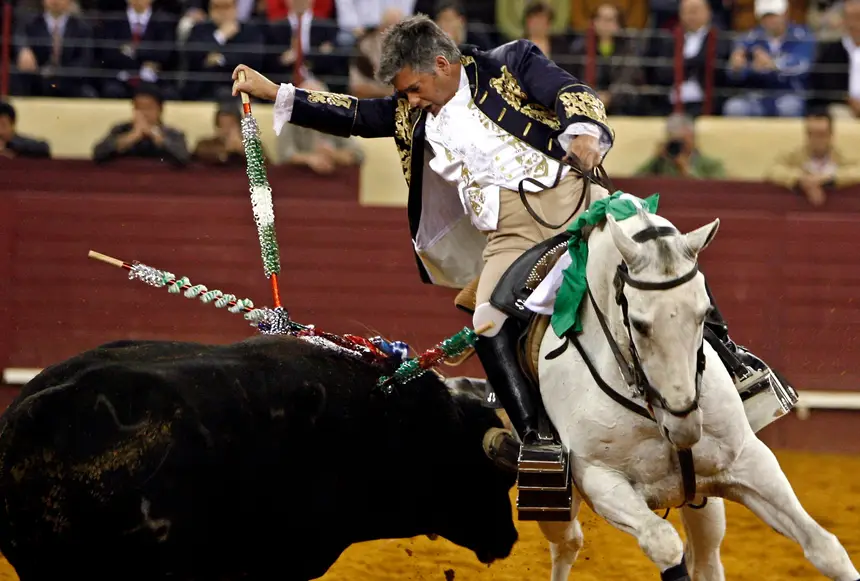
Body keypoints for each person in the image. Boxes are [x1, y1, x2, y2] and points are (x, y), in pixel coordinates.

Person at [229, 14, 781, 476]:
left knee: (661, 252)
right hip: (509, 232)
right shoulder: (408, 112)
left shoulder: (507, 64)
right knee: (487, 319)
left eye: (413, 88)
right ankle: (538, 439)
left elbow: (568, 91)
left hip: (569, 195)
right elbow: (352, 114)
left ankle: (736, 367)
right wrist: (276, 92)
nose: (410, 102)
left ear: (441, 65)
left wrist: (583, 131)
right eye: (403, 94)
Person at [635, 113, 726, 178]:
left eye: (683, 140)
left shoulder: (712, 165)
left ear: (692, 139)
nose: (680, 145)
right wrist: (655, 159)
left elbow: (715, 191)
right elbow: (635, 183)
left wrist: (686, 170)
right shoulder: (661, 163)